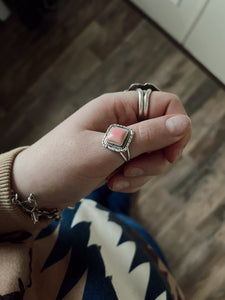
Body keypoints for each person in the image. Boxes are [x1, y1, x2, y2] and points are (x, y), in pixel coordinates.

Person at [0, 86, 191, 299]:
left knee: (112, 196)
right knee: (120, 203)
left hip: (68, 221)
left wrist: (19, 180)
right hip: (138, 273)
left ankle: (115, 196)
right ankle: (116, 199)